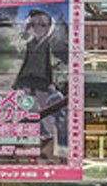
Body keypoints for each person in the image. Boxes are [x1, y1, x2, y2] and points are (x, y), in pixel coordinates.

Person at [13, 9, 69, 159]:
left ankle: (50, 137)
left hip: (43, 82)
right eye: (34, 24)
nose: (38, 28)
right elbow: (23, 62)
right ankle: (41, 134)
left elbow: (50, 65)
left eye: (43, 25)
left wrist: (52, 83)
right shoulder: (28, 44)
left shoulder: (49, 46)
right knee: (29, 108)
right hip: (26, 80)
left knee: (48, 109)